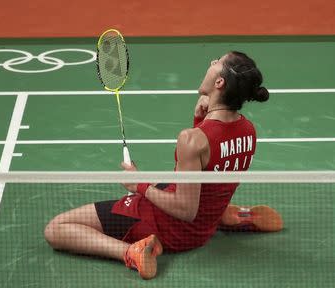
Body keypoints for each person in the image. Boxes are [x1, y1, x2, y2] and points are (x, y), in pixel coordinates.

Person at [44, 51, 283, 280]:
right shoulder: (247, 130)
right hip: (205, 222)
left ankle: (131, 251)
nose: (211, 63)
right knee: (171, 180)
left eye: (216, 62)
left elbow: (185, 210)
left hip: (171, 229)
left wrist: (141, 185)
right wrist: (201, 120)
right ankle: (226, 214)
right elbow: (210, 166)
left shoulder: (192, 139)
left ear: (219, 82)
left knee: (57, 228)